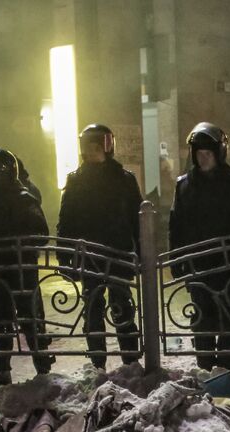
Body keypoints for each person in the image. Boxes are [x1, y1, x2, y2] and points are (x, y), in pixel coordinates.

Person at [169, 122, 230, 371]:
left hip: (228, 262)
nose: (203, 158)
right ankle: (205, 364)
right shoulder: (184, 185)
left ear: (219, 154)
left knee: (227, 314)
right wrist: (177, 259)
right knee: (202, 315)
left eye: (208, 154)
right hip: (198, 262)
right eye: (199, 154)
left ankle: (227, 364)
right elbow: (176, 225)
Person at [57, 123, 143, 370]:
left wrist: (141, 252)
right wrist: (65, 258)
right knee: (93, 308)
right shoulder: (76, 181)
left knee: (122, 307)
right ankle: (97, 362)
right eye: (90, 148)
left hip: (119, 254)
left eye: (98, 147)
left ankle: (131, 359)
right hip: (90, 256)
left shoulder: (124, 179)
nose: (94, 153)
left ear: (107, 147)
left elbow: (137, 219)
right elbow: (66, 222)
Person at [0, 147, 54, 385]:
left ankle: (43, 368)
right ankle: (3, 369)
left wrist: (13, 245)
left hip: (19, 272)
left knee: (30, 320)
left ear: (3, 173)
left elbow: (40, 233)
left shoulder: (22, 200)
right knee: (1, 320)